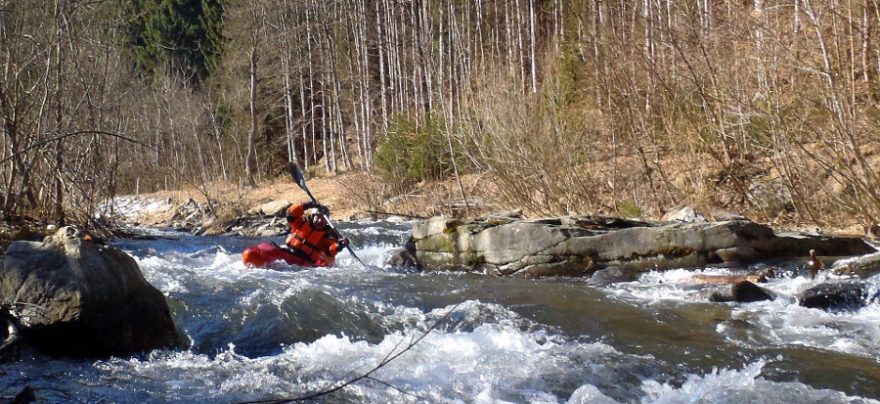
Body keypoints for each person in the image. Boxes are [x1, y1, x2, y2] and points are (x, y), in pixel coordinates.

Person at [282, 201, 348, 267]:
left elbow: (330, 251)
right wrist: (306, 205)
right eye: (318, 217)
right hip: (290, 250)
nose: (320, 220)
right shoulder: (301, 223)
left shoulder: (327, 234)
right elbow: (290, 213)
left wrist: (339, 246)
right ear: (312, 216)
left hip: (307, 260)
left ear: (327, 221)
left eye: (323, 218)